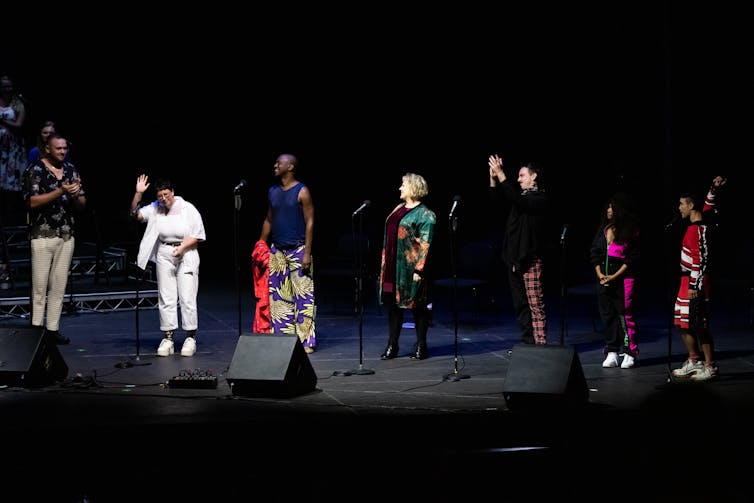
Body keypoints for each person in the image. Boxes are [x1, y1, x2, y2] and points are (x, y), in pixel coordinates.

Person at [131, 175, 206, 357]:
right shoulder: (156, 208)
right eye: (160, 196)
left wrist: (182, 248)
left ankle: (190, 337)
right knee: (166, 297)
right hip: (165, 254)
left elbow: (198, 234)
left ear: (172, 192)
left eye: (166, 194)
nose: (164, 199)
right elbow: (136, 215)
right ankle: (168, 337)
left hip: (186, 252)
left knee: (187, 297)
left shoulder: (188, 208)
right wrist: (138, 194)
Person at [22, 134, 85, 344]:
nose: (62, 152)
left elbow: (82, 204)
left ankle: (52, 330)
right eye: (58, 148)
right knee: (40, 287)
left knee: (59, 286)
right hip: (42, 235)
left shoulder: (71, 169)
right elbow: (31, 202)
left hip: (66, 234)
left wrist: (76, 195)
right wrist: (60, 191)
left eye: (65, 148)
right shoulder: (35, 170)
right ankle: (37, 330)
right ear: (48, 149)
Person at [488, 154, 549, 345]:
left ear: (534, 176)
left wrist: (501, 173)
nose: (518, 179)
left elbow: (517, 199)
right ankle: (528, 342)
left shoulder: (539, 198)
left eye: (522, 175)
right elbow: (496, 203)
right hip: (513, 258)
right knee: (520, 304)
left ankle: (540, 344)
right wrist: (493, 177)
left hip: (529, 258)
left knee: (534, 304)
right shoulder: (520, 197)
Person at [258, 153, 316, 353]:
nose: (275, 165)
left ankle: (306, 341)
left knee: (303, 296)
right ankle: (284, 339)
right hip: (278, 251)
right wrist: (261, 244)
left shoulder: (302, 191)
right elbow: (269, 219)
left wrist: (307, 253)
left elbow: (310, 222)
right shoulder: (273, 191)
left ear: (290, 167)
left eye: (279, 162)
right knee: (279, 298)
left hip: (298, 249)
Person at [671, 175, 727, 381]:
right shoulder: (695, 222)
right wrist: (713, 188)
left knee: (699, 324)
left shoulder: (698, 229)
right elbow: (707, 207)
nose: (679, 208)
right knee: (682, 323)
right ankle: (694, 360)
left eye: (681, 204)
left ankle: (711, 366)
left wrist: (695, 284)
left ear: (691, 205)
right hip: (686, 281)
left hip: (695, 282)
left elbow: (700, 259)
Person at [378, 172, 436, 360]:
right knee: (393, 306)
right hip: (391, 269)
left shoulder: (426, 214)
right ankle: (392, 345)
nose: (400, 188)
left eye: (403, 184)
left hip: (410, 270)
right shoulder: (398, 209)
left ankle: (421, 345)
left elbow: (426, 245)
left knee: (417, 306)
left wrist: (420, 269)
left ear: (412, 187)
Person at [590, 192, 641, 368]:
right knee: (607, 315)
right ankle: (612, 350)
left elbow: (632, 258)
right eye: (608, 207)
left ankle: (629, 351)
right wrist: (599, 274)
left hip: (622, 279)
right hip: (603, 279)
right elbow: (595, 253)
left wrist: (614, 276)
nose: (609, 210)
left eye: (612, 207)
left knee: (624, 315)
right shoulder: (603, 229)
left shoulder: (630, 230)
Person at [0, 75, 27, 220]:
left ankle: (12, 213)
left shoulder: (18, 104)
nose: (7, 89)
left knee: (11, 180)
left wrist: (3, 121)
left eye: (9, 86)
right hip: (0, 146)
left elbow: (19, 125)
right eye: (4, 86)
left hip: (12, 146)